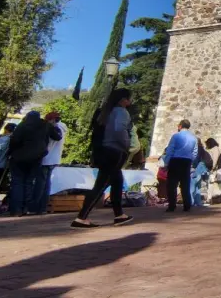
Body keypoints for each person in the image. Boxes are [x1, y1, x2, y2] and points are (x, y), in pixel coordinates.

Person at [72, 88, 135, 228]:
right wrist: (126, 146)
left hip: (104, 150)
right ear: (123, 100)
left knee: (117, 181)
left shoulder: (105, 112)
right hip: (115, 151)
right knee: (101, 185)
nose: (130, 101)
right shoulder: (121, 112)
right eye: (128, 98)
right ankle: (81, 218)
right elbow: (120, 130)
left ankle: (119, 215)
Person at [9, 110, 62, 216]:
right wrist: (54, 127)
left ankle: (16, 209)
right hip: (36, 158)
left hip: (19, 157)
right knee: (29, 182)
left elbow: (14, 140)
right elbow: (57, 137)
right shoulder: (45, 125)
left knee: (17, 182)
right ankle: (25, 208)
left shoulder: (22, 125)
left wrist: (11, 153)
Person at [34, 112, 67, 215]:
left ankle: (35, 206)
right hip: (55, 159)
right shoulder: (63, 127)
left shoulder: (53, 128)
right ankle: (43, 207)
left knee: (40, 183)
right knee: (47, 183)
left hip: (46, 158)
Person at [163, 119, 198, 212]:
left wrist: (166, 162)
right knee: (185, 184)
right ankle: (187, 205)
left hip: (176, 160)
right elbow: (195, 152)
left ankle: (172, 205)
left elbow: (170, 149)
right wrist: (190, 160)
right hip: (186, 161)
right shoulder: (193, 138)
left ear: (180, 126)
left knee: (172, 184)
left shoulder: (176, 136)